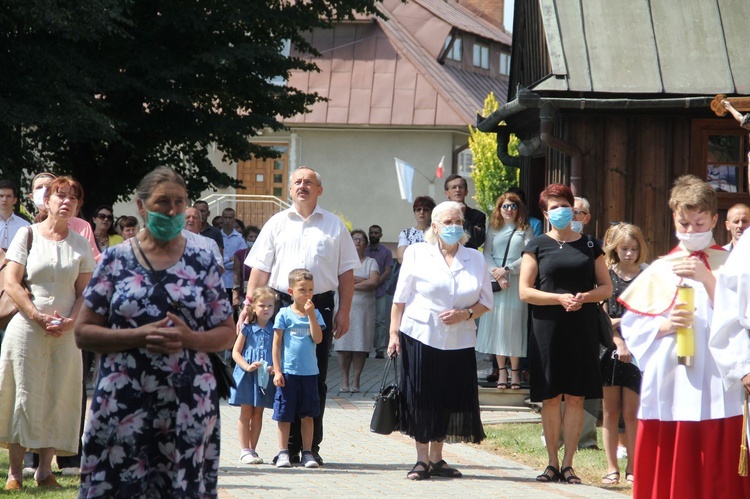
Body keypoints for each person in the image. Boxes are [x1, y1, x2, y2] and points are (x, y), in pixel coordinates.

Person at [74, 166, 235, 498]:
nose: (173, 210)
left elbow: (226, 332)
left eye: (180, 201)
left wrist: (189, 338)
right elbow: (83, 332)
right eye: (163, 202)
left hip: (188, 404)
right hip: (124, 403)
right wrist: (139, 335)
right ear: (141, 206)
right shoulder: (115, 260)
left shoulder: (202, 260)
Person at [619, 175, 750, 498]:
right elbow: (633, 327)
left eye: (698, 223)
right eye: (684, 223)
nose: (690, 231)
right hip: (671, 383)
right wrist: (664, 326)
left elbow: (742, 317)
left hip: (721, 383)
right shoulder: (661, 268)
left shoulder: (733, 266)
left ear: (714, 220)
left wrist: (707, 279)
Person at [240, 166, 359, 466]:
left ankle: (310, 448)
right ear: (289, 190)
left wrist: (344, 311)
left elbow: (346, 273)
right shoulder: (276, 223)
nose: (302, 186)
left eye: (309, 182)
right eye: (297, 182)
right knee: (283, 375)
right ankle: (285, 448)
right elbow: (260, 268)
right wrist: (248, 304)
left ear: (320, 190)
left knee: (314, 377)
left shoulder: (334, 226)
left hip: (320, 306)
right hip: (282, 305)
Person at [0, 176, 95, 491]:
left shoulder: (80, 244)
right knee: (23, 397)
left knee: (57, 396)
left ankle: (44, 471)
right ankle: (15, 473)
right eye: (60, 196)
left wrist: (71, 320)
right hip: (27, 329)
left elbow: (84, 293)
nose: (66, 202)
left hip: (65, 334)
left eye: (73, 198)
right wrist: (35, 315)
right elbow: (12, 283)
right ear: (47, 201)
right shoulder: (27, 235)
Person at [387, 200, 493, 481]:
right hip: (421, 335)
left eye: (457, 221)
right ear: (434, 226)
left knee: (447, 397)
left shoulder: (476, 258)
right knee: (422, 396)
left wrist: (465, 313)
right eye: (447, 222)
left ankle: (437, 457)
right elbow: (400, 299)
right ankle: (421, 460)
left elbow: (486, 302)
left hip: (460, 339)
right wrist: (393, 334)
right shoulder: (416, 253)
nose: (453, 227)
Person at [519, 183, 612, 484]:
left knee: (575, 397)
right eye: (553, 206)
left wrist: (583, 297)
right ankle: (551, 463)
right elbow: (524, 291)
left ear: (574, 209)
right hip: (547, 326)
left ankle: (569, 464)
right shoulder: (536, 245)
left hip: (581, 325)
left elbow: (606, 287)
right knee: (550, 397)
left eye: (564, 205)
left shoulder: (590, 245)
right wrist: (558, 298)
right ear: (545, 213)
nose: (560, 210)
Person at [600, 223, 647, 485]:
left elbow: (647, 315)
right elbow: (603, 316)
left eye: (634, 248)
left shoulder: (646, 276)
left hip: (640, 350)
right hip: (610, 349)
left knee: (632, 412)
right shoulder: (606, 275)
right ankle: (611, 467)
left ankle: (633, 466)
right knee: (610, 411)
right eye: (624, 248)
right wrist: (618, 341)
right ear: (615, 248)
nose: (629, 253)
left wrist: (622, 322)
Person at [476, 192, 534, 390]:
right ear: (499, 209)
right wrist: (497, 275)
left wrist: (507, 271)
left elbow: (528, 255)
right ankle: (502, 371)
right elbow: (487, 253)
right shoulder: (493, 227)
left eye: (513, 206)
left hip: (516, 280)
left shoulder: (526, 229)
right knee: (498, 326)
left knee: (514, 326)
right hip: (497, 281)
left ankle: (515, 372)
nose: (509, 210)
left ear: (519, 209)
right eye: (505, 206)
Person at [272, 269, 325, 469]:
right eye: (302, 290)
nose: (307, 294)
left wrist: (311, 315)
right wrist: (277, 371)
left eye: (310, 290)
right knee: (284, 414)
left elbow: (318, 339)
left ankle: (308, 452)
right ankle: (283, 451)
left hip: (309, 373)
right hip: (288, 373)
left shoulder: (316, 313)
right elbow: (276, 344)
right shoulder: (284, 314)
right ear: (291, 291)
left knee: (308, 415)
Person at [229, 286, 276, 465]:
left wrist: (274, 368)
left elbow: (278, 353)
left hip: (264, 377)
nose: (266, 309)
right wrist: (247, 367)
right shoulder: (247, 328)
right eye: (262, 305)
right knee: (246, 412)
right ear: (254, 307)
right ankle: (244, 450)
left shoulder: (276, 329)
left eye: (270, 306)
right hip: (247, 375)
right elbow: (235, 352)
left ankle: (253, 450)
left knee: (258, 413)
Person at [334, 230, 379, 393]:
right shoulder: (343, 262)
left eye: (361, 239)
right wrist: (362, 280)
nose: (357, 242)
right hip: (344, 308)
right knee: (343, 344)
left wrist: (350, 285)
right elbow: (336, 282)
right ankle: (344, 380)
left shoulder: (371, 262)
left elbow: (374, 282)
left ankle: (356, 380)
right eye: (354, 239)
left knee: (360, 346)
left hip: (363, 311)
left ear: (366, 244)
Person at [364, 224, 393, 359]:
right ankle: (364, 348)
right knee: (364, 320)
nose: (373, 235)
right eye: (371, 233)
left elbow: (388, 271)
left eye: (376, 233)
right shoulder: (363, 251)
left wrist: (376, 282)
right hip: (364, 291)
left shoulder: (386, 252)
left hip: (379, 291)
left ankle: (380, 349)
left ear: (381, 235)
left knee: (380, 321)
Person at [443, 174, 486, 250]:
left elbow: (478, 241)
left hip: (469, 259)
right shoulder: (440, 214)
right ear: (447, 193)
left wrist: (462, 217)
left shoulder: (478, 216)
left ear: (466, 192)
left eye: (461, 187)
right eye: (453, 187)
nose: (457, 190)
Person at [184, 206, 223, 273]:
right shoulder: (172, 241)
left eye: (195, 217)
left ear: (200, 222)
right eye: (188, 217)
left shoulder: (210, 243)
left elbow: (220, 268)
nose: (191, 220)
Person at [396, 196, 436, 262]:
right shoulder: (406, 233)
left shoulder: (438, 232)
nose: (421, 212)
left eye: (425, 209)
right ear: (414, 212)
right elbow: (401, 258)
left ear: (431, 212)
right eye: (418, 209)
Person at [221, 208, 247, 307]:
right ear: (222, 219)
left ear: (234, 220)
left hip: (234, 282)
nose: (227, 221)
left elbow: (241, 260)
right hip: (220, 280)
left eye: (230, 218)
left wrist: (225, 262)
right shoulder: (217, 236)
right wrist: (230, 259)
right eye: (225, 217)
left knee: (235, 311)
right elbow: (215, 260)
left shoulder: (240, 238)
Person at [233, 226, 261, 308]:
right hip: (243, 294)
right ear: (245, 239)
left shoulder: (264, 254)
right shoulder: (239, 254)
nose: (253, 239)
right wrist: (235, 297)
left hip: (260, 294)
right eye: (251, 237)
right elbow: (236, 277)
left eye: (256, 237)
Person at [0, 179, 30, 252]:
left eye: (9, 196)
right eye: (1, 196)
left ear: (15, 200)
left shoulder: (25, 225)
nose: (4, 199)